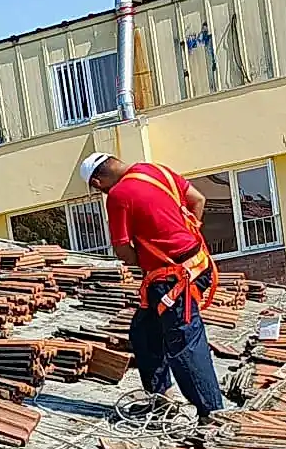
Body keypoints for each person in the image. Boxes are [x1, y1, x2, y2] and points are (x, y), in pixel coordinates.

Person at [79, 152, 224, 421]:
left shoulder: (118, 196)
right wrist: (184, 238)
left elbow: (123, 250)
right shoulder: (157, 170)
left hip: (172, 281)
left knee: (184, 344)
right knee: (144, 333)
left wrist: (149, 266)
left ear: (98, 183)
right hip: (198, 264)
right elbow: (198, 199)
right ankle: (161, 400)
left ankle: (212, 415)